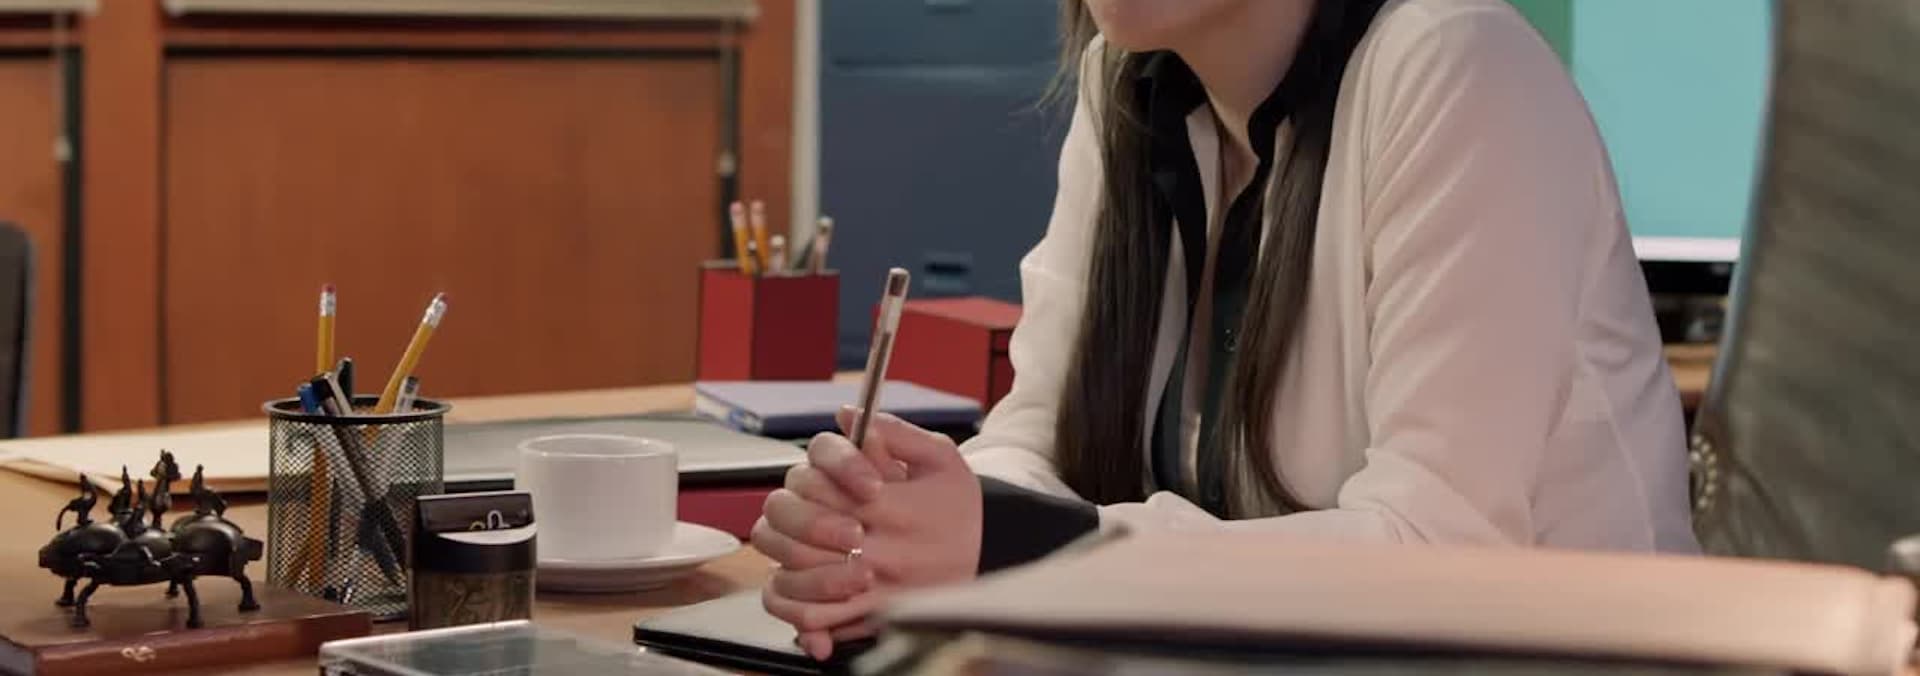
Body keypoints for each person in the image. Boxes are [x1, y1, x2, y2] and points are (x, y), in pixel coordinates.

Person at [753, 0, 1699, 658]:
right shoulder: (1127, 84)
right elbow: (1036, 438)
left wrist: (1017, 544)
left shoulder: (1462, 66)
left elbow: (1438, 555)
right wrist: (898, 530)